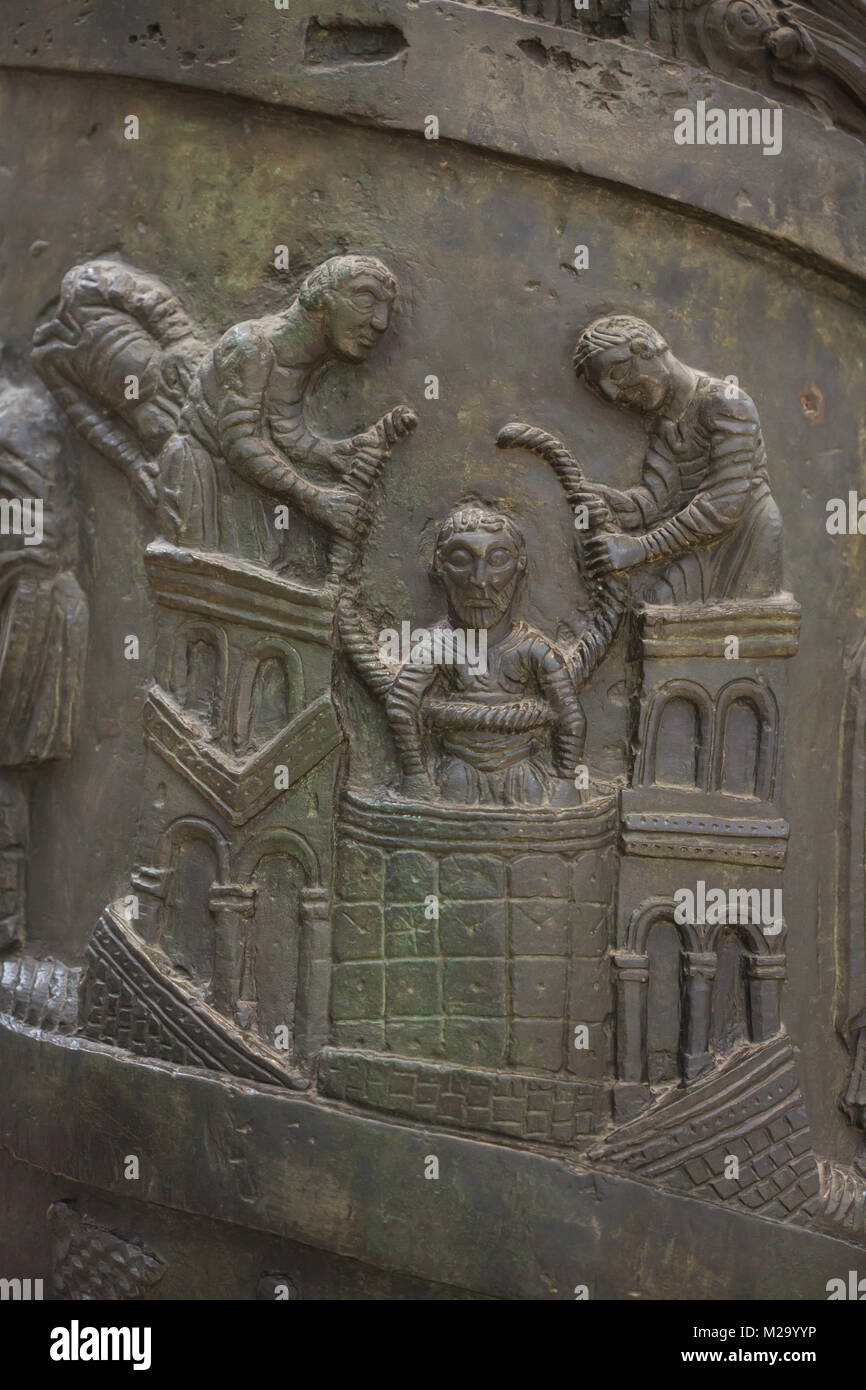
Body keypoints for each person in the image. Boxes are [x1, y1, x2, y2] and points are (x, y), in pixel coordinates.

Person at [574, 314, 784, 603]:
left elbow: (724, 505)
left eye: (617, 373)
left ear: (647, 348)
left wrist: (639, 550)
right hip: (698, 544)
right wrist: (605, 498)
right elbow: (654, 504)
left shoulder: (726, 402)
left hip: (744, 542)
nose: (613, 395)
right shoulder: (664, 425)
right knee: (660, 603)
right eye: (604, 389)